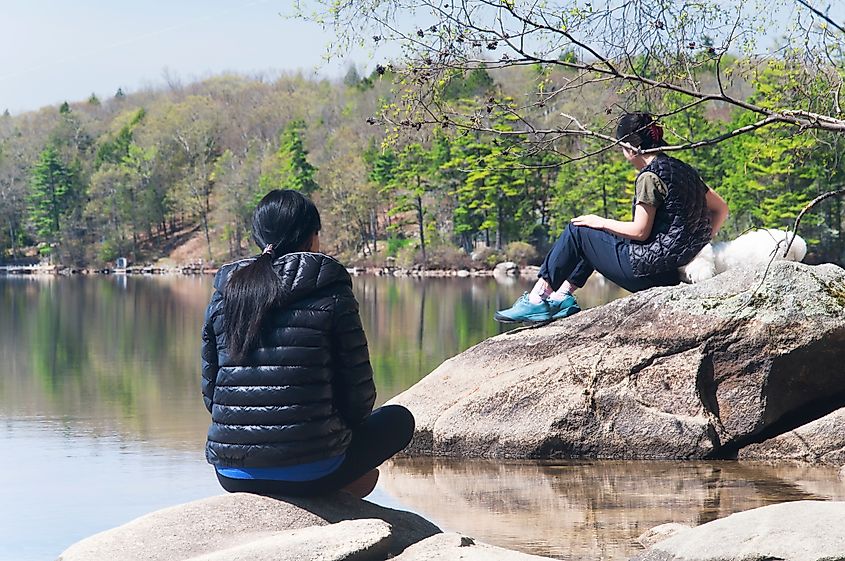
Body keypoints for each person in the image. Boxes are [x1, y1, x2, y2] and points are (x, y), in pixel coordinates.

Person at [201, 189, 415, 498]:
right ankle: (339, 483)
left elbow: (212, 394)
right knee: (399, 420)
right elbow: (359, 398)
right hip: (313, 471)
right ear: (310, 238)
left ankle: (338, 480)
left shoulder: (224, 294)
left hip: (233, 474)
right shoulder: (331, 292)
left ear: (259, 236)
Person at [495, 112, 729, 324]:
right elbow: (721, 208)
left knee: (579, 229)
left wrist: (601, 221)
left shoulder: (650, 176)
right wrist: (699, 241)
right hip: (669, 269)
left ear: (630, 147)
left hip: (648, 271)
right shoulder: (683, 169)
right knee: (594, 234)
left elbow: (640, 231)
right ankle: (562, 297)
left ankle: (537, 298)